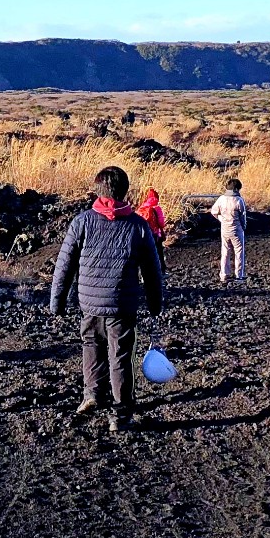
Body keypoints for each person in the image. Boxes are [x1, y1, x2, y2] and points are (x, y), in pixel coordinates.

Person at [50, 165, 166, 432]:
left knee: (91, 346)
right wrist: (155, 303)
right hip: (121, 306)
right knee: (121, 355)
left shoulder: (82, 222)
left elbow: (64, 263)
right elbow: (152, 269)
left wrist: (57, 300)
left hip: (89, 303)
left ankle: (92, 394)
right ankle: (121, 412)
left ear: (97, 190)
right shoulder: (137, 226)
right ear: (125, 192)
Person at [209, 177, 248, 283]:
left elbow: (213, 211)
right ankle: (239, 275)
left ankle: (224, 275)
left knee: (225, 251)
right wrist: (243, 227)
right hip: (237, 229)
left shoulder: (221, 199)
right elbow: (243, 217)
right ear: (237, 189)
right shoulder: (239, 200)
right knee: (239, 251)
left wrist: (221, 219)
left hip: (225, 229)